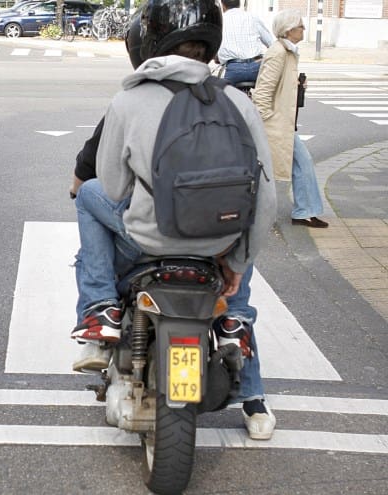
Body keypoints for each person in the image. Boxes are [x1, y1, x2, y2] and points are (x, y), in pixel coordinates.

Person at [69, 0, 278, 440]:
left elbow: (109, 185)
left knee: (89, 197)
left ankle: (100, 309)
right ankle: (242, 358)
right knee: (239, 240)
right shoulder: (238, 102)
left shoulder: (129, 99)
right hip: (215, 248)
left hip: (150, 241)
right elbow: (267, 199)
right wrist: (236, 264)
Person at [253, 9, 328, 228]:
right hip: (276, 124)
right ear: (289, 30)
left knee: (297, 163)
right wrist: (269, 120)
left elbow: (278, 86)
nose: (304, 29)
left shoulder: (287, 52)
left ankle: (305, 210)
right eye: (301, 26)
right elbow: (264, 91)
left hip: (282, 123)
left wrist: (296, 85)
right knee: (299, 163)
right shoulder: (278, 52)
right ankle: (303, 211)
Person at [216, 0, 274, 84]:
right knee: (265, 93)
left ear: (222, 5)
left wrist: (218, 57)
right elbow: (271, 43)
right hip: (257, 67)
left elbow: (214, 47)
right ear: (240, 3)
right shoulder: (253, 17)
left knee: (224, 94)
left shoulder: (220, 21)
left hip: (233, 69)